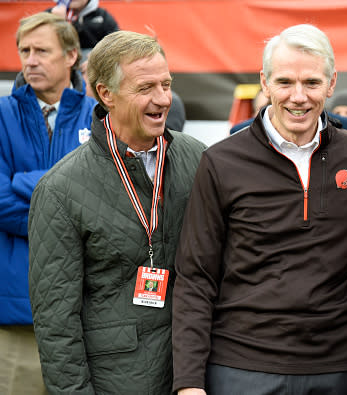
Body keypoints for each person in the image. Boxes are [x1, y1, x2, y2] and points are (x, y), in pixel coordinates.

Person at [172, 24, 347, 395]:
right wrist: (189, 383)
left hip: (338, 369)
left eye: (312, 83)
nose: (298, 97)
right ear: (264, 83)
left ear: (332, 83)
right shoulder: (221, 162)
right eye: (285, 82)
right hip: (240, 367)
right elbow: (195, 277)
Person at [28, 30, 207, 393]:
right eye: (145, 88)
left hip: (196, 372)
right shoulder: (61, 189)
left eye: (166, 84)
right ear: (106, 94)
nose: (163, 99)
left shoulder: (200, 159)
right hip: (117, 380)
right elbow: (56, 324)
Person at [0, 12, 96, 395]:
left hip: (87, 310)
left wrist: (23, 181)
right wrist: (67, 208)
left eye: (42, 50)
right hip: (17, 311)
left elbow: (109, 204)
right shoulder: (1, 115)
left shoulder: (101, 118)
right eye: (24, 50)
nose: (30, 60)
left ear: (71, 56)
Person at [50, 0, 119, 58]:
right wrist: (58, 23)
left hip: (91, 64)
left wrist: (98, 58)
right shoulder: (49, 15)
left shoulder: (102, 16)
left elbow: (117, 45)